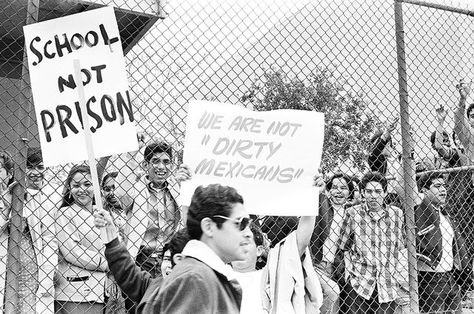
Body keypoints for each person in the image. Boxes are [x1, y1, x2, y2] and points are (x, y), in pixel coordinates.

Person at [109, 141, 190, 312]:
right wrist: (130, 154)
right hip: (141, 261)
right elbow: (122, 194)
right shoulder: (136, 190)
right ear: (146, 164)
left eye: (166, 162)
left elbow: (190, 212)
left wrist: (188, 181)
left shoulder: (177, 189)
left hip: (168, 262)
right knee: (139, 308)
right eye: (156, 161)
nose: (161, 166)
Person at [231, 174, 324, 313]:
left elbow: (301, 242)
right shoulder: (218, 273)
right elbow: (197, 234)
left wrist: (312, 196)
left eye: (246, 240)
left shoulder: (271, 276)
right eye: (235, 241)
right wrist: (187, 190)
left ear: (259, 250)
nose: (240, 245)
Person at [153, 184, 250, 313]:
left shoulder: (204, 275)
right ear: (209, 227)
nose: (248, 233)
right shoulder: (194, 280)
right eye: (240, 223)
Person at [93, 203, 190, 314]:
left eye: (177, 260)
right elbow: (127, 271)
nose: (169, 266)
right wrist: (110, 233)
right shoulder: (153, 286)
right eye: (167, 259)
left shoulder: (196, 295)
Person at [0, 148, 58, 314]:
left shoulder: (34, 197)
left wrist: (48, 272)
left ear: (10, 172)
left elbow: (48, 237)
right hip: (3, 267)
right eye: (29, 167)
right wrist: (6, 208)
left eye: (40, 167)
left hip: (29, 270)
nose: (35, 172)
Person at [339, 171, 406, 314]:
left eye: (378, 191)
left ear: (385, 192)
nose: (373, 196)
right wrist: (348, 272)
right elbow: (344, 246)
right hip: (360, 282)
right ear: (363, 192)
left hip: (387, 284)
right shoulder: (353, 213)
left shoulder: (396, 214)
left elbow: (399, 245)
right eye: (369, 191)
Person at [54, 165, 108, 314]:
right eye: (76, 185)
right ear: (70, 189)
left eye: (87, 184)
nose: (82, 189)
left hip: (99, 292)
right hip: (75, 293)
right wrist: (108, 263)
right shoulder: (65, 213)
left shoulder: (102, 214)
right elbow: (72, 251)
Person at [415, 172, 471, 314]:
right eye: (437, 186)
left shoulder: (445, 214)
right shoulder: (420, 208)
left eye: (444, 186)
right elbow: (403, 188)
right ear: (424, 190)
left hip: (450, 278)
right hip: (430, 279)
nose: (443, 190)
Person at [312, 173, 354, 314]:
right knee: (333, 292)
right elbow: (320, 199)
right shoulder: (322, 207)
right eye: (334, 187)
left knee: (335, 304)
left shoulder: (351, 214)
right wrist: (321, 190)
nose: (338, 191)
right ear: (329, 191)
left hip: (336, 269)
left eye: (343, 188)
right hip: (316, 265)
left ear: (349, 193)